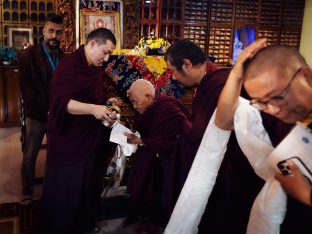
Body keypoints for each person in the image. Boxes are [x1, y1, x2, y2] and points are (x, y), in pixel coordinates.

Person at [215, 39, 312, 233]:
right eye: (261, 103)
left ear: (307, 76)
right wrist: (236, 75)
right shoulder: (279, 113)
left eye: (278, 97)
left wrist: (306, 194)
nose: (274, 109)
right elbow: (223, 122)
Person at [42, 28, 118, 234]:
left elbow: (90, 97)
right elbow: (61, 104)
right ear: (92, 44)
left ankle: (84, 223)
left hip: (88, 138)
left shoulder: (92, 66)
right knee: (69, 187)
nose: (107, 57)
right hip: (69, 139)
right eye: (105, 52)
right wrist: (94, 109)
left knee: (87, 184)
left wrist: (104, 102)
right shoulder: (69, 66)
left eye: (110, 53)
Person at [124, 79, 191, 228]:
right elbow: (144, 127)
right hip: (155, 151)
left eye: (136, 102)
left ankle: (170, 224)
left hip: (175, 157)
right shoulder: (149, 107)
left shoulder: (168, 108)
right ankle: (147, 215)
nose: (134, 106)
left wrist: (140, 141)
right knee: (144, 175)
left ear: (148, 97)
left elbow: (170, 139)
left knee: (168, 189)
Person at [18, 13, 64, 205]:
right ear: (43, 31)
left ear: (63, 34)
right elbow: (26, 90)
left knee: (57, 154)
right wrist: (46, 109)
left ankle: (54, 189)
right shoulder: (28, 55)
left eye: (58, 32)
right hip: (37, 114)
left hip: (57, 115)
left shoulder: (64, 57)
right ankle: (27, 192)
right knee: (30, 155)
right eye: (51, 31)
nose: (54, 36)